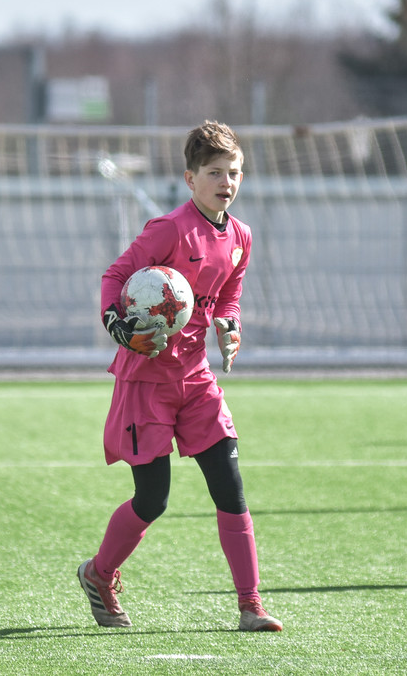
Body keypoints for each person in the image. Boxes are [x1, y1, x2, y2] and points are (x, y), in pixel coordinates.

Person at [76, 120, 282, 633]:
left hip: (197, 381)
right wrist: (117, 324)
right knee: (154, 499)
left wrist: (229, 327)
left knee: (230, 489)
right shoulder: (168, 229)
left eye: (234, 172)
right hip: (146, 380)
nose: (226, 182)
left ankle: (251, 605)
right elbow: (115, 277)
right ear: (190, 180)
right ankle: (99, 575)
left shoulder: (240, 236)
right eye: (215, 173)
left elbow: (228, 294)